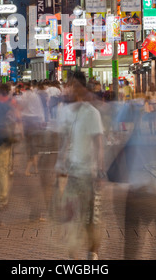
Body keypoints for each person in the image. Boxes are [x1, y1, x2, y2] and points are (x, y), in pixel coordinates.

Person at [53, 71, 105, 261]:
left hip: (89, 175)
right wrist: (59, 163)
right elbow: (63, 141)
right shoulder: (65, 112)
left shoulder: (92, 113)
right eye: (69, 85)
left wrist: (100, 171)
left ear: (82, 88)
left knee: (90, 220)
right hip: (72, 174)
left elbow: (99, 143)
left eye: (75, 85)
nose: (71, 89)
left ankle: (92, 253)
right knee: (70, 216)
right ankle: (73, 256)